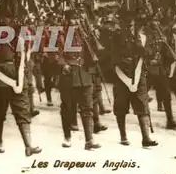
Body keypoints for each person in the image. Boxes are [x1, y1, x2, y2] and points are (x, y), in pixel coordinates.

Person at [0, 12, 42, 156]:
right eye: (5, 17)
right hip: (1, 76)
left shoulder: (21, 34)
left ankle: (28, 145)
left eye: (11, 17)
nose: (8, 20)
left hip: (18, 74)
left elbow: (27, 51)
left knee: (22, 110)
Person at [111, 10, 158, 147]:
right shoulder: (117, 36)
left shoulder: (143, 38)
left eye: (132, 25)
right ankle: (123, 136)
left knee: (142, 105)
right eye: (128, 25)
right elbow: (114, 57)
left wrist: (142, 48)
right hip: (122, 76)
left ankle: (146, 138)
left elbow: (150, 54)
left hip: (139, 75)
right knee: (121, 107)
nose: (130, 27)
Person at [57, 9, 101, 150]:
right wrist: (63, 64)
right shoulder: (60, 34)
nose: (75, 22)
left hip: (84, 73)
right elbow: (55, 53)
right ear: (67, 20)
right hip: (69, 76)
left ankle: (89, 140)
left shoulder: (85, 34)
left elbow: (95, 51)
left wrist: (92, 35)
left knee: (87, 108)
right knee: (68, 108)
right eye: (72, 19)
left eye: (77, 19)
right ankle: (67, 137)